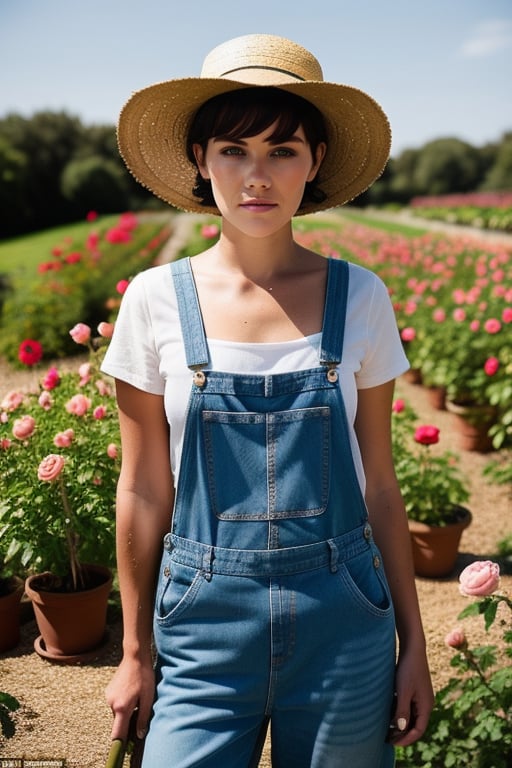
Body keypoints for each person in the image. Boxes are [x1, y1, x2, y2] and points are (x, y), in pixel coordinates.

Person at [103, 33, 434, 768]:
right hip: (202, 621)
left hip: (344, 620)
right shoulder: (155, 301)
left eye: (283, 151)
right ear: (199, 159)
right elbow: (144, 488)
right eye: (233, 150)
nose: (258, 176)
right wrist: (133, 651)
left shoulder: (362, 297)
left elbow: (380, 484)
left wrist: (414, 645)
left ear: (315, 163)